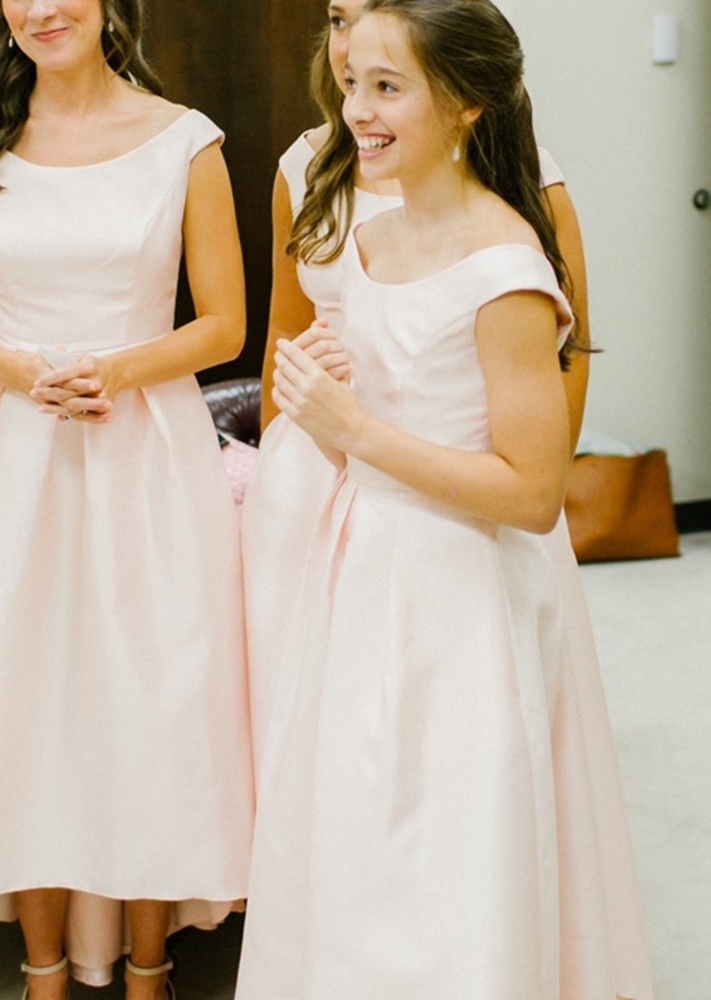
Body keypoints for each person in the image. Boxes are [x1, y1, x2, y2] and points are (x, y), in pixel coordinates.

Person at [235, 1, 653, 997]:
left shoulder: (503, 268)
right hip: (359, 567)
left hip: (457, 588)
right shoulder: (375, 238)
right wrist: (324, 390)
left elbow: (534, 493)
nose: (357, 109)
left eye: (388, 88)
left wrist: (354, 429)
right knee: (357, 823)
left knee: (451, 842)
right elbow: (363, 401)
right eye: (352, 83)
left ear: (466, 104)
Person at [0, 2, 254, 998]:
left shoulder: (185, 142)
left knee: (149, 696)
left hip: (144, 448)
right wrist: (26, 372)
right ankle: (43, 969)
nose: (41, 9)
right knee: (20, 699)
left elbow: (225, 323)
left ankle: (149, 967)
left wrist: (116, 368)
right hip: (12, 452)